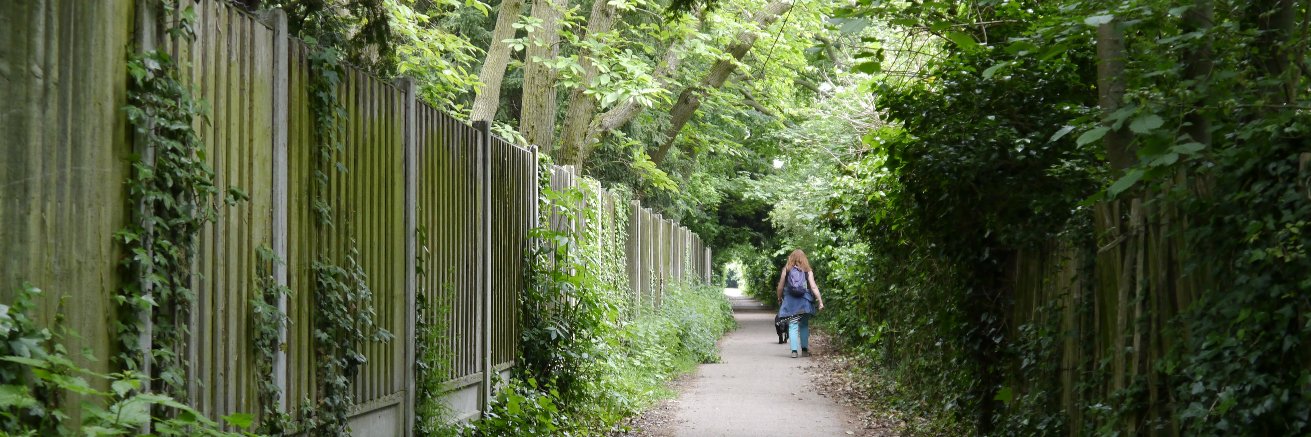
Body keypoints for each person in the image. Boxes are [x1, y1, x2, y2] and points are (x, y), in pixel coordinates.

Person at [775, 249, 824, 358]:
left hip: (791, 302)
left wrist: (779, 298)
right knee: (804, 325)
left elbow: (780, 286)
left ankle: (794, 351)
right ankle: (805, 350)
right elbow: (814, 287)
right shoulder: (807, 270)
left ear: (791, 258)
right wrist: (820, 301)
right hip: (804, 302)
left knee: (793, 325)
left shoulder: (787, 270)